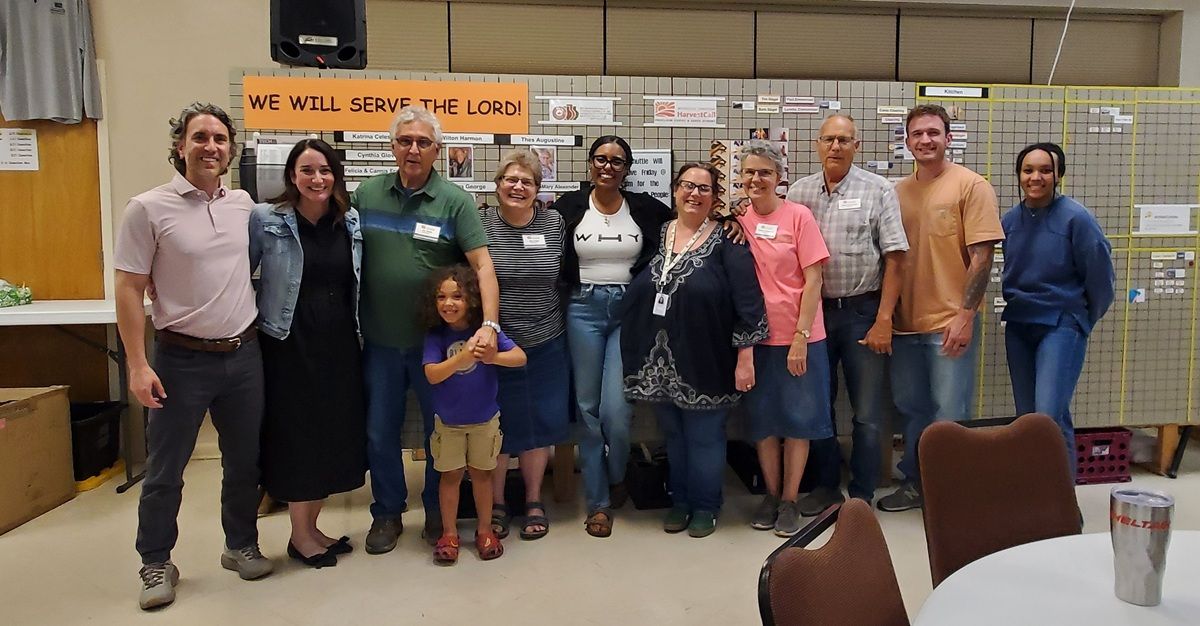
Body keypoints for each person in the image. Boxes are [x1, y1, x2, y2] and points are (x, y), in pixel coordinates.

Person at [115, 102, 272, 610]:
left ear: (231, 150)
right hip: (179, 360)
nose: (211, 147)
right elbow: (129, 288)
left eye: (220, 139)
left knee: (244, 462)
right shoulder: (147, 208)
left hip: (243, 355)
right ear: (180, 146)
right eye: (200, 137)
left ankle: (240, 544)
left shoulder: (244, 205)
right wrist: (137, 364)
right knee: (166, 469)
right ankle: (156, 561)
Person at [352, 105, 501, 552]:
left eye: (422, 142)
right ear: (392, 147)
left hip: (436, 345)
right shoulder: (366, 194)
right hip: (380, 341)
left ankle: (439, 511)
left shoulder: (455, 201)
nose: (413, 149)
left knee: (443, 430)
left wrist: (489, 324)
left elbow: (483, 266)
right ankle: (387, 513)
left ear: (438, 150)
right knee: (380, 432)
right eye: (404, 141)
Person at [621, 162, 767, 538]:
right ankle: (681, 501)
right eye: (688, 185)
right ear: (675, 190)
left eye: (704, 188)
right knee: (673, 435)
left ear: (715, 198)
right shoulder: (658, 232)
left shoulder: (728, 240)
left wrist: (746, 356)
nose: (694, 194)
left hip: (708, 357)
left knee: (705, 436)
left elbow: (748, 302)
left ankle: (706, 506)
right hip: (660, 360)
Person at [877, 104, 1004, 513]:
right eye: (917, 134)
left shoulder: (971, 186)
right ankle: (916, 485)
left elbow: (982, 257)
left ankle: (953, 497)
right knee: (912, 411)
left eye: (933, 132)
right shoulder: (895, 193)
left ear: (949, 138)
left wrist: (965, 316)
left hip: (949, 324)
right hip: (905, 326)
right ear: (907, 141)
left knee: (950, 415)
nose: (925, 140)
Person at [249, 138, 366, 568]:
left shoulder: (348, 220)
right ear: (292, 176)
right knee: (299, 438)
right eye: (307, 170)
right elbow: (237, 272)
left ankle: (313, 527)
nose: (317, 179)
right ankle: (299, 536)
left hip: (339, 344)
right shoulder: (267, 218)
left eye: (325, 170)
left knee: (330, 435)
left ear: (336, 176)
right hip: (289, 344)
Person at [550, 135, 672, 538]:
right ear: (590, 164)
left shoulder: (646, 209)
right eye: (600, 159)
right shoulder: (569, 207)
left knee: (616, 413)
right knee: (587, 409)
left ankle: (617, 475)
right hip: (582, 309)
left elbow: (689, 225)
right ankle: (598, 502)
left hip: (627, 312)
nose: (608, 166)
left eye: (617, 161)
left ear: (627, 169)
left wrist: (731, 220)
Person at [785, 115, 909, 514]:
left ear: (857, 146)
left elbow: (896, 258)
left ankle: (861, 493)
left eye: (843, 140)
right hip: (815, 314)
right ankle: (825, 487)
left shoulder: (878, 189)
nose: (835, 146)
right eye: (828, 139)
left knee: (868, 412)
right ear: (817, 145)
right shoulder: (799, 193)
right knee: (816, 405)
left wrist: (884, 319)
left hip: (862, 312)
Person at [734, 140, 833, 537]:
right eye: (749, 172)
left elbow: (814, 279)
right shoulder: (737, 221)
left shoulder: (799, 217)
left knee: (798, 422)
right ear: (740, 177)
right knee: (763, 423)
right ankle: (771, 495)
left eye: (765, 172)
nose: (756, 179)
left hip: (800, 338)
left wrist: (800, 337)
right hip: (755, 340)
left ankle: (791, 500)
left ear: (779, 178)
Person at [1001, 142, 1114, 472]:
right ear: (1019, 175)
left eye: (1045, 170)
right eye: (1028, 170)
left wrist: (1079, 320)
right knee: (1028, 420)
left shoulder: (1077, 219)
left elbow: (1101, 280)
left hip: (1062, 325)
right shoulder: (1010, 221)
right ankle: (1035, 490)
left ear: (1059, 175)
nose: (1036, 177)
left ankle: (1062, 498)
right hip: (1020, 324)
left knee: (1048, 417)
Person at [481, 150, 569, 540]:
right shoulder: (480, 223)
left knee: (540, 424)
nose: (518, 187)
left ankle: (534, 499)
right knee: (497, 425)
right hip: (498, 345)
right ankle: (498, 504)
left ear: (538, 189)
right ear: (498, 185)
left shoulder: (553, 222)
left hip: (547, 340)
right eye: (511, 180)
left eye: (527, 182)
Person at [422, 265, 527, 564]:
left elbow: (520, 357)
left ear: (472, 298)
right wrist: (464, 357)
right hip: (448, 424)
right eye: (441, 297)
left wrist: (493, 356)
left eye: (457, 296)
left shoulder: (486, 332)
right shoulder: (435, 336)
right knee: (450, 477)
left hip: (485, 421)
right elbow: (432, 374)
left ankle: (484, 530)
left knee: (482, 476)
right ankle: (449, 534)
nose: (448, 303)